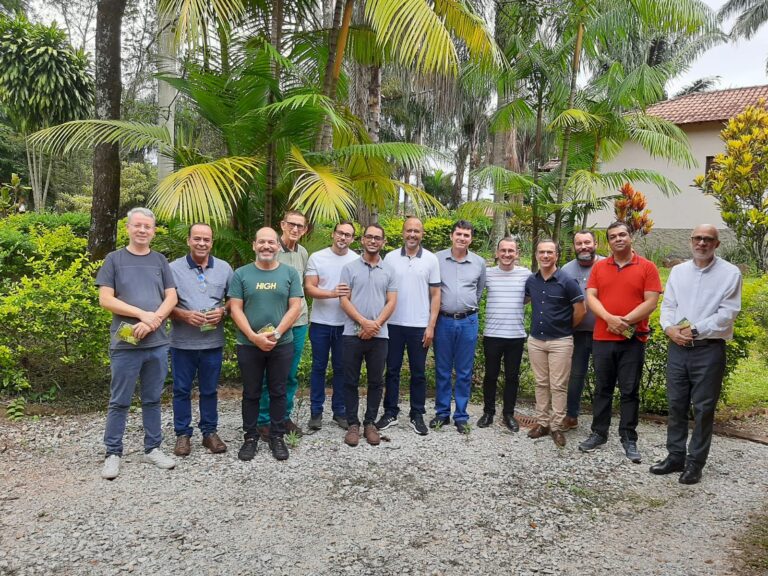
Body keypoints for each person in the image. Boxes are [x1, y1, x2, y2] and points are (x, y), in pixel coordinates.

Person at [652, 225, 741, 485]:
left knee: (703, 408)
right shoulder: (678, 272)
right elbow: (668, 305)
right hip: (678, 347)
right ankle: (675, 456)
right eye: (698, 238)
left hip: (708, 349)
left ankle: (695, 463)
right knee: (676, 404)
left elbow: (727, 314)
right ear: (691, 241)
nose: (702, 243)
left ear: (717, 244)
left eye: (708, 239)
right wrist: (669, 328)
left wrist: (694, 329)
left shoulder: (729, 274)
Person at [96, 207, 178, 480]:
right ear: (128, 227)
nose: (143, 230)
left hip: (156, 343)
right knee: (119, 400)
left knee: (153, 398)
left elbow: (171, 297)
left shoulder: (160, 261)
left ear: (154, 231)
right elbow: (106, 299)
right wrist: (141, 314)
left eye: (148, 227)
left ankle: (153, 448)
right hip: (125, 343)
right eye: (138, 225)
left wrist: (153, 320)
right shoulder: (114, 260)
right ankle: (113, 453)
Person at [578, 221, 662, 463]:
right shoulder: (599, 267)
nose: (618, 239)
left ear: (630, 237)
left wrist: (624, 321)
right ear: (608, 241)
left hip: (632, 340)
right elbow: (591, 296)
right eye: (613, 236)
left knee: (629, 390)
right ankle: (599, 433)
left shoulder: (647, 267)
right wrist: (608, 319)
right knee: (602, 388)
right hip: (603, 337)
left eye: (622, 234)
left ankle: (628, 437)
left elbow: (651, 301)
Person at [228, 227, 303, 462]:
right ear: (254, 245)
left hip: (281, 344)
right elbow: (235, 308)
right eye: (262, 242)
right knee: (251, 392)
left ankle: (277, 436)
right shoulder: (241, 274)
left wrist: (277, 334)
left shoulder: (290, 273)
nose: (266, 246)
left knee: (278, 390)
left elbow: (295, 306)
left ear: (278, 247)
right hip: (249, 344)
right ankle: (250, 437)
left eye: (271, 242)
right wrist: (253, 336)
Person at [169, 223, 233, 457]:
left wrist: (224, 311)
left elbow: (234, 299)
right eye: (197, 239)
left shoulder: (225, 268)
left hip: (212, 343)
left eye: (206, 239)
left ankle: (209, 432)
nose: (202, 243)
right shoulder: (172, 268)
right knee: (181, 389)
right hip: (182, 343)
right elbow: (165, 303)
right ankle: (182, 435)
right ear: (188, 240)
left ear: (212, 242)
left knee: (209, 390)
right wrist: (184, 314)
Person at [378, 217, 441, 436]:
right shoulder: (390, 258)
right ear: (402, 232)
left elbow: (435, 295)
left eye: (416, 231)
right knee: (392, 370)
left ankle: (417, 414)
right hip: (393, 324)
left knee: (419, 373)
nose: (412, 234)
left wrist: (431, 326)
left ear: (422, 234)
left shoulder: (431, 260)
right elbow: (383, 289)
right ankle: (390, 412)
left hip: (419, 326)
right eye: (408, 230)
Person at [339, 224, 398, 446]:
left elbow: (392, 301)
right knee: (350, 380)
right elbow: (343, 299)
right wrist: (364, 322)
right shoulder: (349, 268)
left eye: (378, 238)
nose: (373, 241)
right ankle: (353, 424)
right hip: (351, 334)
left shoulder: (390, 270)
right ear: (362, 240)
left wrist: (375, 325)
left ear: (383, 242)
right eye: (369, 237)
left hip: (380, 335)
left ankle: (370, 423)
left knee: (376, 381)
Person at [525, 240, 585, 446]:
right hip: (536, 340)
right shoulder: (531, 281)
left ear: (556, 256)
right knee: (541, 383)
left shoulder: (567, 281)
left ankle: (557, 426)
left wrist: (566, 329)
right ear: (536, 255)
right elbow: (524, 300)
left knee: (558, 386)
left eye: (550, 252)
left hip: (561, 341)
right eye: (541, 252)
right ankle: (542, 423)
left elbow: (580, 310)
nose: (545, 256)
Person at [257, 210, 310, 439]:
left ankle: (283, 416)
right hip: (272, 324)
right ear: (282, 224)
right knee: (269, 374)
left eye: (300, 226)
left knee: (289, 374)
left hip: (298, 323)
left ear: (305, 229)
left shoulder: (303, 253)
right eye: (291, 224)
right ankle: (263, 420)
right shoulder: (269, 248)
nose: (295, 229)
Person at [304, 221, 360, 430]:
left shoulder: (356, 260)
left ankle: (340, 411)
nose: (343, 237)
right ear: (333, 234)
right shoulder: (317, 257)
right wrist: (333, 293)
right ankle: (316, 412)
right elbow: (310, 288)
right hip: (320, 322)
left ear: (352, 239)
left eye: (348, 235)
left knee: (341, 369)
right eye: (340, 233)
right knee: (318, 367)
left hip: (345, 324)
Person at [432, 220, 486, 433]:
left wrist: (466, 307)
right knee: (443, 369)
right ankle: (442, 413)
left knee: (464, 371)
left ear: (471, 239)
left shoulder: (479, 263)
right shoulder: (437, 259)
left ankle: (461, 416)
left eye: (466, 235)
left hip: (468, 321)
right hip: (443, 321)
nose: (462, 238)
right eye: (459, 234)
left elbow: (479, 291)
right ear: (452, 236)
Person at [478, 238, 531, 432]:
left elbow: (529, 297)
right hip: (492, 333)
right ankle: (488, 412)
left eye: (511, 251)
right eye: (503, 250)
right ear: (497, 252)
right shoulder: (488, 274)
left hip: (515, 334)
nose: (507, 254)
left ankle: (508, 413)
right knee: (490, 376)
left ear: (517, 253)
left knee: (512, 377)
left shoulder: (526, 274)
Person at [560, 230, 604, 429]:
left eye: (587, 242)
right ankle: (571, 416)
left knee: (604, 377)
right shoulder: (566, 270)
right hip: (577, 333)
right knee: (576, 375)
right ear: (574, 246)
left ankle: (601, 421)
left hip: (604, 333)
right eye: (579, 243)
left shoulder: (607, 266)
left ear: (595, 243)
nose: (584, 247)